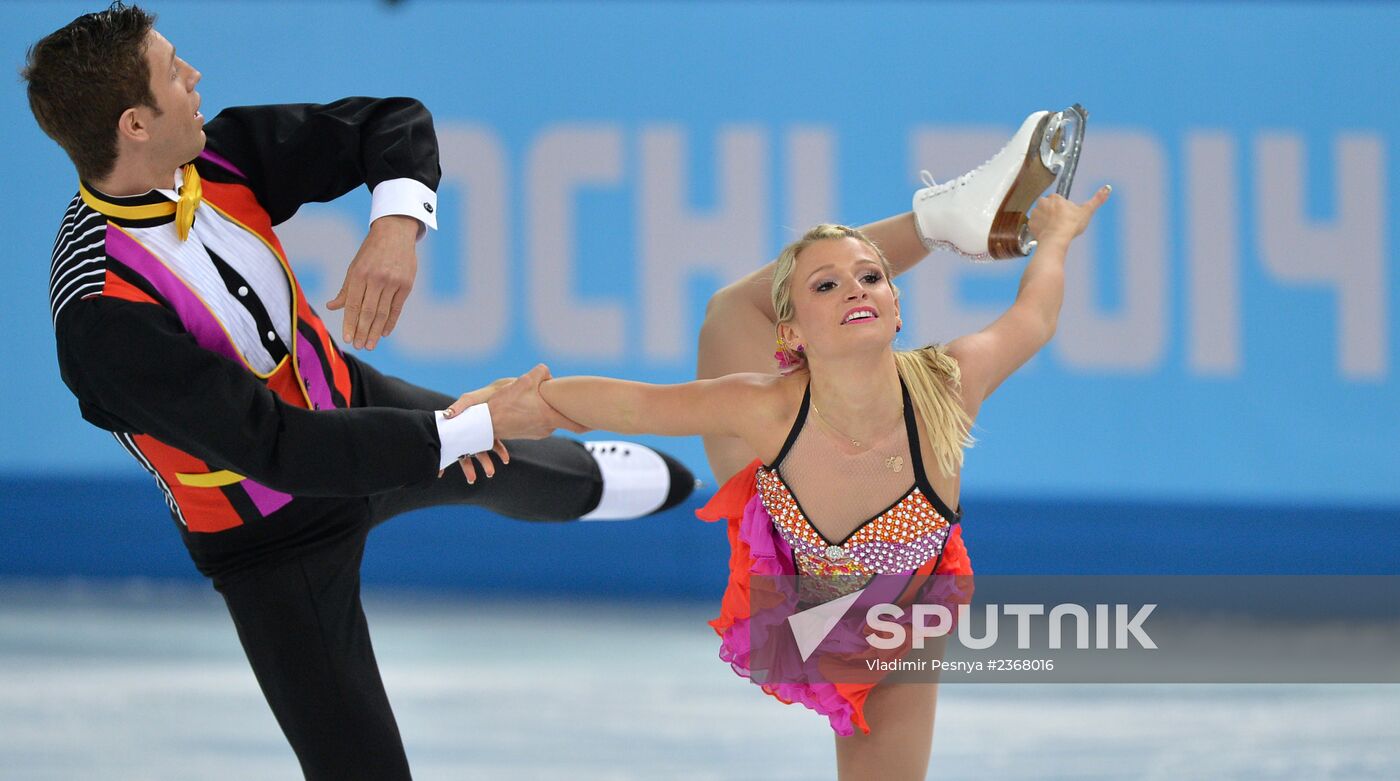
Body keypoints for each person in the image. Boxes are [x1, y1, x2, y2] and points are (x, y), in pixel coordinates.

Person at [22, 4, 694, 778]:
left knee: (537, 466)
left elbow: (388, 121)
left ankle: (590, 481)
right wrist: (466, 428)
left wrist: (395, 226)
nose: (195, 76)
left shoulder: (220, 157)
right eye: (174, 71)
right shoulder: (101, 314)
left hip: (352, 401)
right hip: (270, 536)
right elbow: (280, 450)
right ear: (135, 124)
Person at [484, 115, 1109, 778]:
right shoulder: (768, 406)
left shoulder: (947, 386)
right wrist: (533, 401)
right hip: (783, 554)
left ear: (898, 307)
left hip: (896, 628)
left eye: (871, 278)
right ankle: (941, 221)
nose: (855, 291)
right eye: (827, 287)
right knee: (730, 311)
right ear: (795, 335)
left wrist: (1058, 238)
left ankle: (942, 222)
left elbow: (1034, 317)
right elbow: (638, 404)